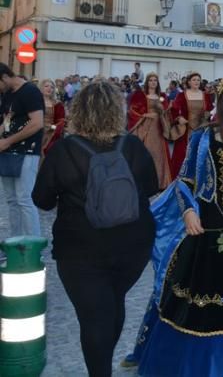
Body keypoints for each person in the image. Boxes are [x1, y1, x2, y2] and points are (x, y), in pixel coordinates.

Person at [129, 75, 223, 377]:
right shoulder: (203, 137)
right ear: (220, 103)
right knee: (195, 298)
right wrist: (188, 212)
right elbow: (185, 181)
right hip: (206, 227)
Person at [32, 81, 158, 377]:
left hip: (80, 248)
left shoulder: (64, 150)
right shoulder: (133, 145)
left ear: (79, 111)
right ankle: (103, 365)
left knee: (94, 316)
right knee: (113, 303)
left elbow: (42, 200)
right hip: (133, 243)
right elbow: (151, 186)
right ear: (118, 110)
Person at [0, 63, 44, 237]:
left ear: (4, 77)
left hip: (27, 152)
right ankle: (15, 242)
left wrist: (7, 141)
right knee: (12, 200)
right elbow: (7, 122)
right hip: (9, 152)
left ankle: (32, 244)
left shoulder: (30, 91)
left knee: (24, 199)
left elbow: (37, 123)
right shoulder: (7, 93)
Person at [127, 73, 172, 190]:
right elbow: (132, 110)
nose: (153, 82)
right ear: (147, 82)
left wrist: (162, 111)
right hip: (146, 127)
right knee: (147, 153)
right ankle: (146, 182)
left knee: (159, 154)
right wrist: (144, 115)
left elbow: (167, 112)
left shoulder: (162, 96)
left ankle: (160, 182)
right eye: (151, 80)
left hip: (159, 127)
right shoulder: (140, 95)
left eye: (155, 80)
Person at [168, 72, 214, 181]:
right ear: (189, 82)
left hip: (201, 129)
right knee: (183, 155)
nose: (196, 82)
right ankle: (180, 181)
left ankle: (199, 180)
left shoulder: (205, 95)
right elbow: (173, 110)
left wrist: (207, 115)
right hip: (186, 130)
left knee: (200, 154)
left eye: (198, 80)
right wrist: (179, 118)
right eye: (194, 80)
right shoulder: (181, 95)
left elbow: (210, 110)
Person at [40, 79, 66, 155]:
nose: (49, 89)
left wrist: (52, 127)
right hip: (36, 130)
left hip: (51, 132)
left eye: (51, 87)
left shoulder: (57, 104)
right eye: (46, 86)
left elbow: (61, 121)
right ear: (41, 88)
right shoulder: (35, 101)